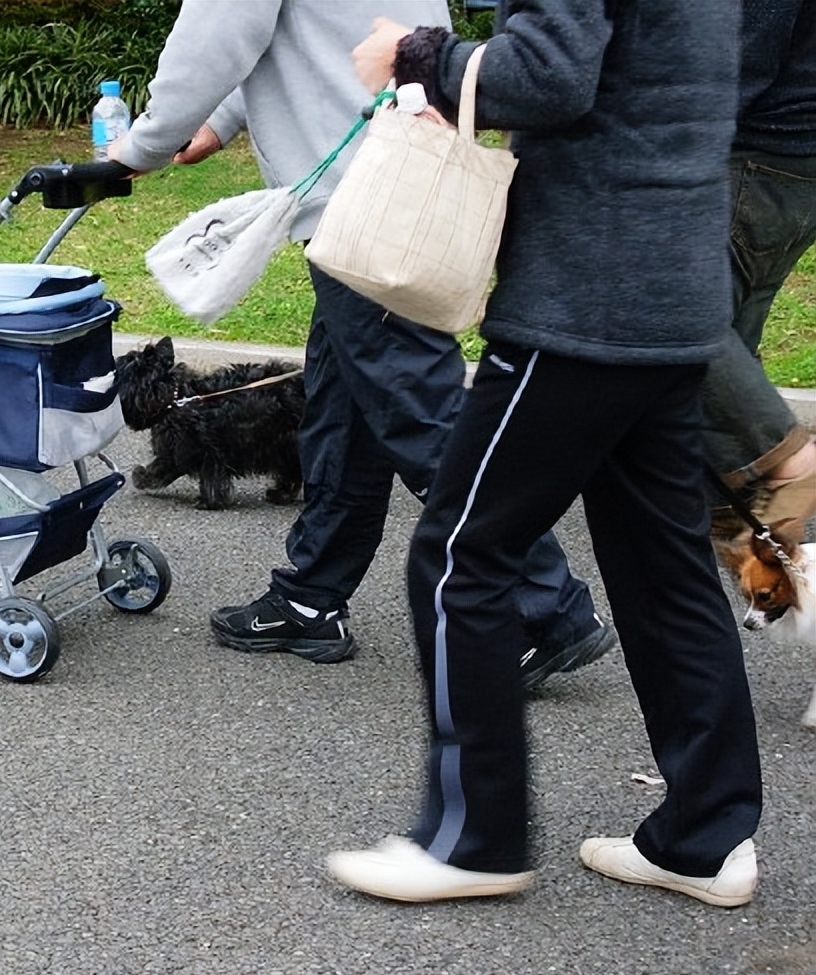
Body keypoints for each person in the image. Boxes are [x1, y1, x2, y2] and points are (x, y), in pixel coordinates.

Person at [326, 2, 763, 906]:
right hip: (676, 281)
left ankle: (472, 842)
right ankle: (705, 840)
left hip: (584, 294)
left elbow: (553, 72)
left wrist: (416, 55)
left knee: (460, 555)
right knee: (664, 568)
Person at [108, 0, 613, 686]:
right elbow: (312, 35)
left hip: (368, 206)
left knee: (422, 416)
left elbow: (219, 34)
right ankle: (311, 597)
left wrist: (139, 148)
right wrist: (220, 122)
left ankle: (545, 606)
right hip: (398, 183)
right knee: (342, 416)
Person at [702, 0, 816, 538]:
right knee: (728, 341)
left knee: (677, 317)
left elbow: (743, 59)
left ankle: (785, 458)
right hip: (790, 158)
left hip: (759, 153)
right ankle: (729, 515)